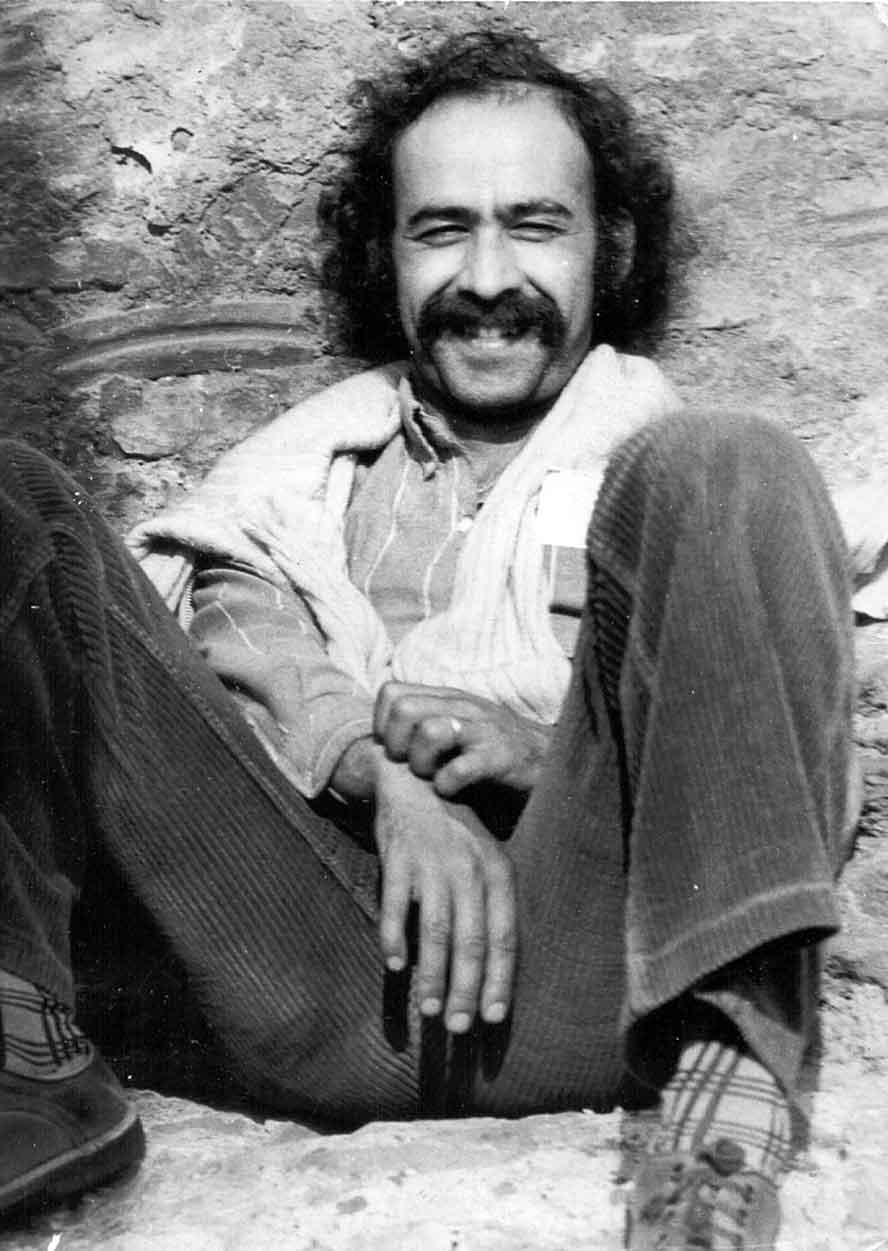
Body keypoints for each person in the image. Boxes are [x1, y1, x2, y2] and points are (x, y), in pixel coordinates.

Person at [0, 29, 857, 1250]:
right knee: (16, 500)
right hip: (309, 977)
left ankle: (728, 1080)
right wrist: (380, 771)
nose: (488, 275)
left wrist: (536, 753)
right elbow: (240, 639)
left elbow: (771, 740)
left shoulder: (665, 469)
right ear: (388, 256)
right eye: (442, 230)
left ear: (608, 249)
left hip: (588, 981)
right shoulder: (307, 467)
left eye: (535, 226)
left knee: (735, 456)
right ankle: (22, 1061)